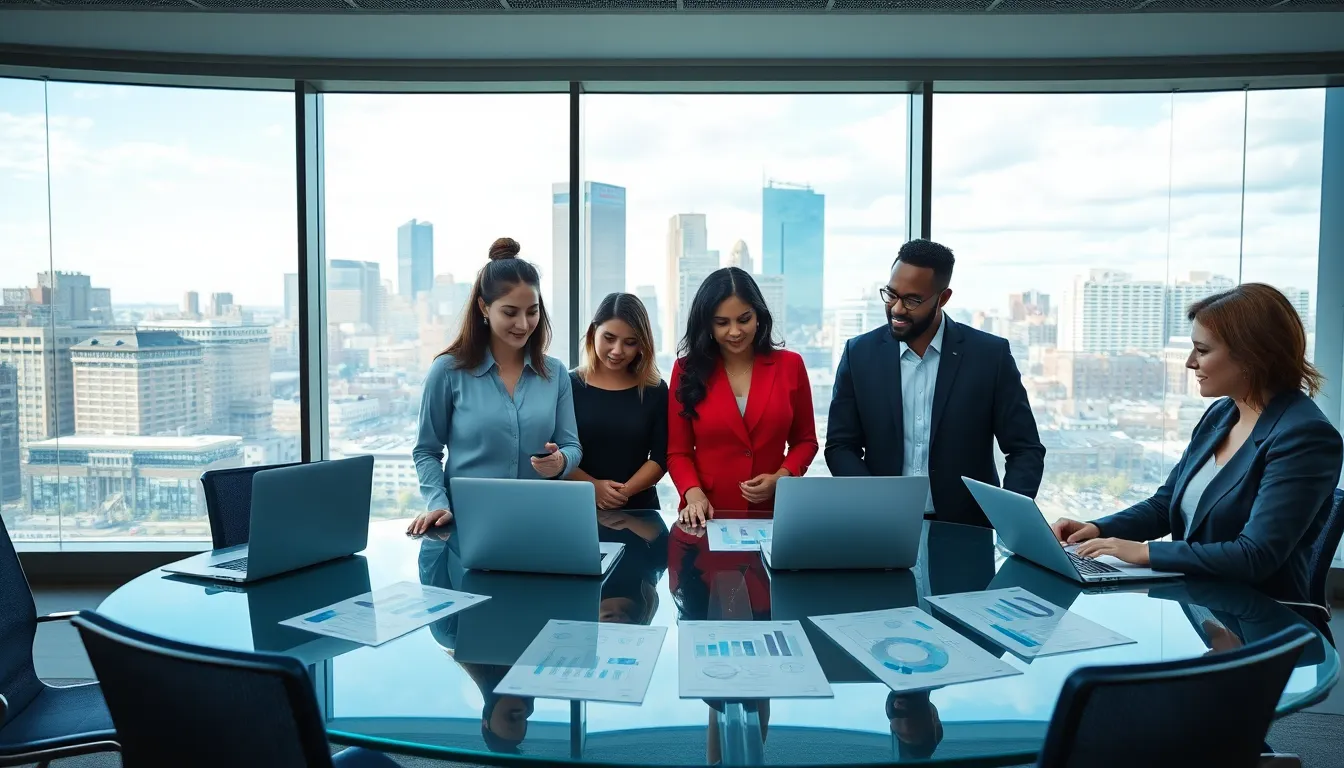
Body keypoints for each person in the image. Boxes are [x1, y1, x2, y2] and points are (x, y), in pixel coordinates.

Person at [1054, 283, 1343, 604]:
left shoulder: (1305, 437)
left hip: (1265, 622)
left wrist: (1146, 552)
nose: (1190, 362)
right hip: (1202, 607)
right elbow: (1165, 504)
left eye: (1202, 351)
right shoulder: (1222, 413)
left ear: (1251, 355)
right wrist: (1097, 529)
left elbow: (1255, 555)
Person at [825, 239, 1045, 528]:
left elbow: (1024, 449)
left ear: (943, 298)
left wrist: (1010, 520)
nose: (897, 308)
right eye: (891, 294)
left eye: (912, 300)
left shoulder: (990, 356)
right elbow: (840, 445)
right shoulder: (859, 354)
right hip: (881, 525)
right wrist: (873, 502)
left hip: (969, 530)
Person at [409, 238, 582, 534]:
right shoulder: (448, 371)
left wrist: (561, 461)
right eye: (510, 312)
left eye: (532, 311)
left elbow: (572, 446)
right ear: (484, 308)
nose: (524, 324)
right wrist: (437, 503)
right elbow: (427, 450)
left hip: (538, 523)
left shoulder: (555, 373)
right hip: (466, 524)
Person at [667, 267, 818, 526]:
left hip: (773, 511)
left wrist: (781, 477)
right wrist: (693, 493)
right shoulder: (685, 369)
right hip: (705, 514)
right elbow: (677, 452)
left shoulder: (791, 365)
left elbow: (805, 441)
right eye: (722, 322)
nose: (735, 332)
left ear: (758, 316)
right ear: (707, 324)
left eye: (744, 319)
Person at [567, 292, 669, 511]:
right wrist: (593, 487)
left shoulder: (655, 390)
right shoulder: (568, 384)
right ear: (593, 333)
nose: (617, 351)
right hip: (578, 508)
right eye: (609, 338)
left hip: (640, 512)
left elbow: (661, 457)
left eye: (630, 342)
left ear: (642, 345)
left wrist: (622, 492)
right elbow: (557, 451)